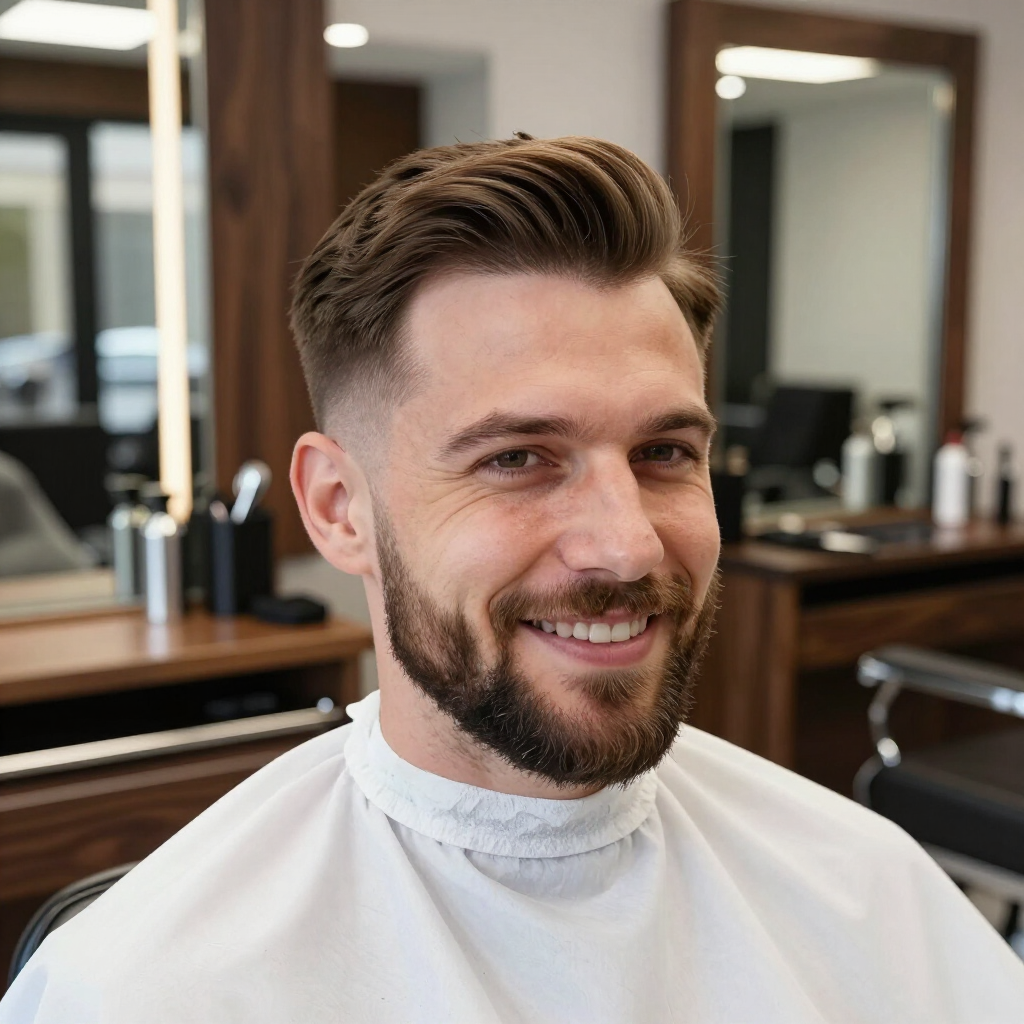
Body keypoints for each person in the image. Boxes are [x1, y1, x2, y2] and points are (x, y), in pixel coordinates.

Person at [3, 135, 1023, 1024]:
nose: (625, 549)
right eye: (517, 458)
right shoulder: (147, 988)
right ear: (337, 507)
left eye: (665, 452)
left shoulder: (864, 887)